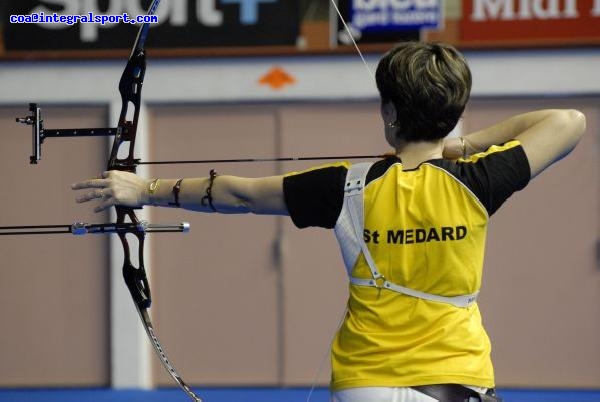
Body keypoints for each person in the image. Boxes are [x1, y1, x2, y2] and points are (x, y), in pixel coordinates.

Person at [72, 42, 586, 402]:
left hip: (364, 383)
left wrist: (145, 190)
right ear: (454, 112)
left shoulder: (346, 186)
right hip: (457, 380)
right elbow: (567, 122)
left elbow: (239, 194)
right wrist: (465, 144)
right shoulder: (478, 180)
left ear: (388, 113)